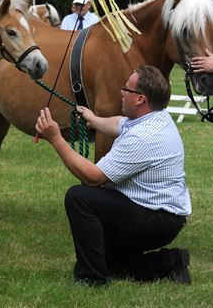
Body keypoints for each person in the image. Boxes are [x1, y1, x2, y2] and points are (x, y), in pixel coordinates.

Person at [35, 65, 192, 287]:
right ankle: (169, 262)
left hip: (157, 219)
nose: (121, 92)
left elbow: (93, 177)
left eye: (126, 89)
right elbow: (119, 124)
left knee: (79, 196)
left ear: (140, 99)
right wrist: (93, 119)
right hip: (164, 215)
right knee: (107, 261)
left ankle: (93, 279)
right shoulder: (155, 116)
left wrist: (56, 138)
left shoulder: (142, 138)